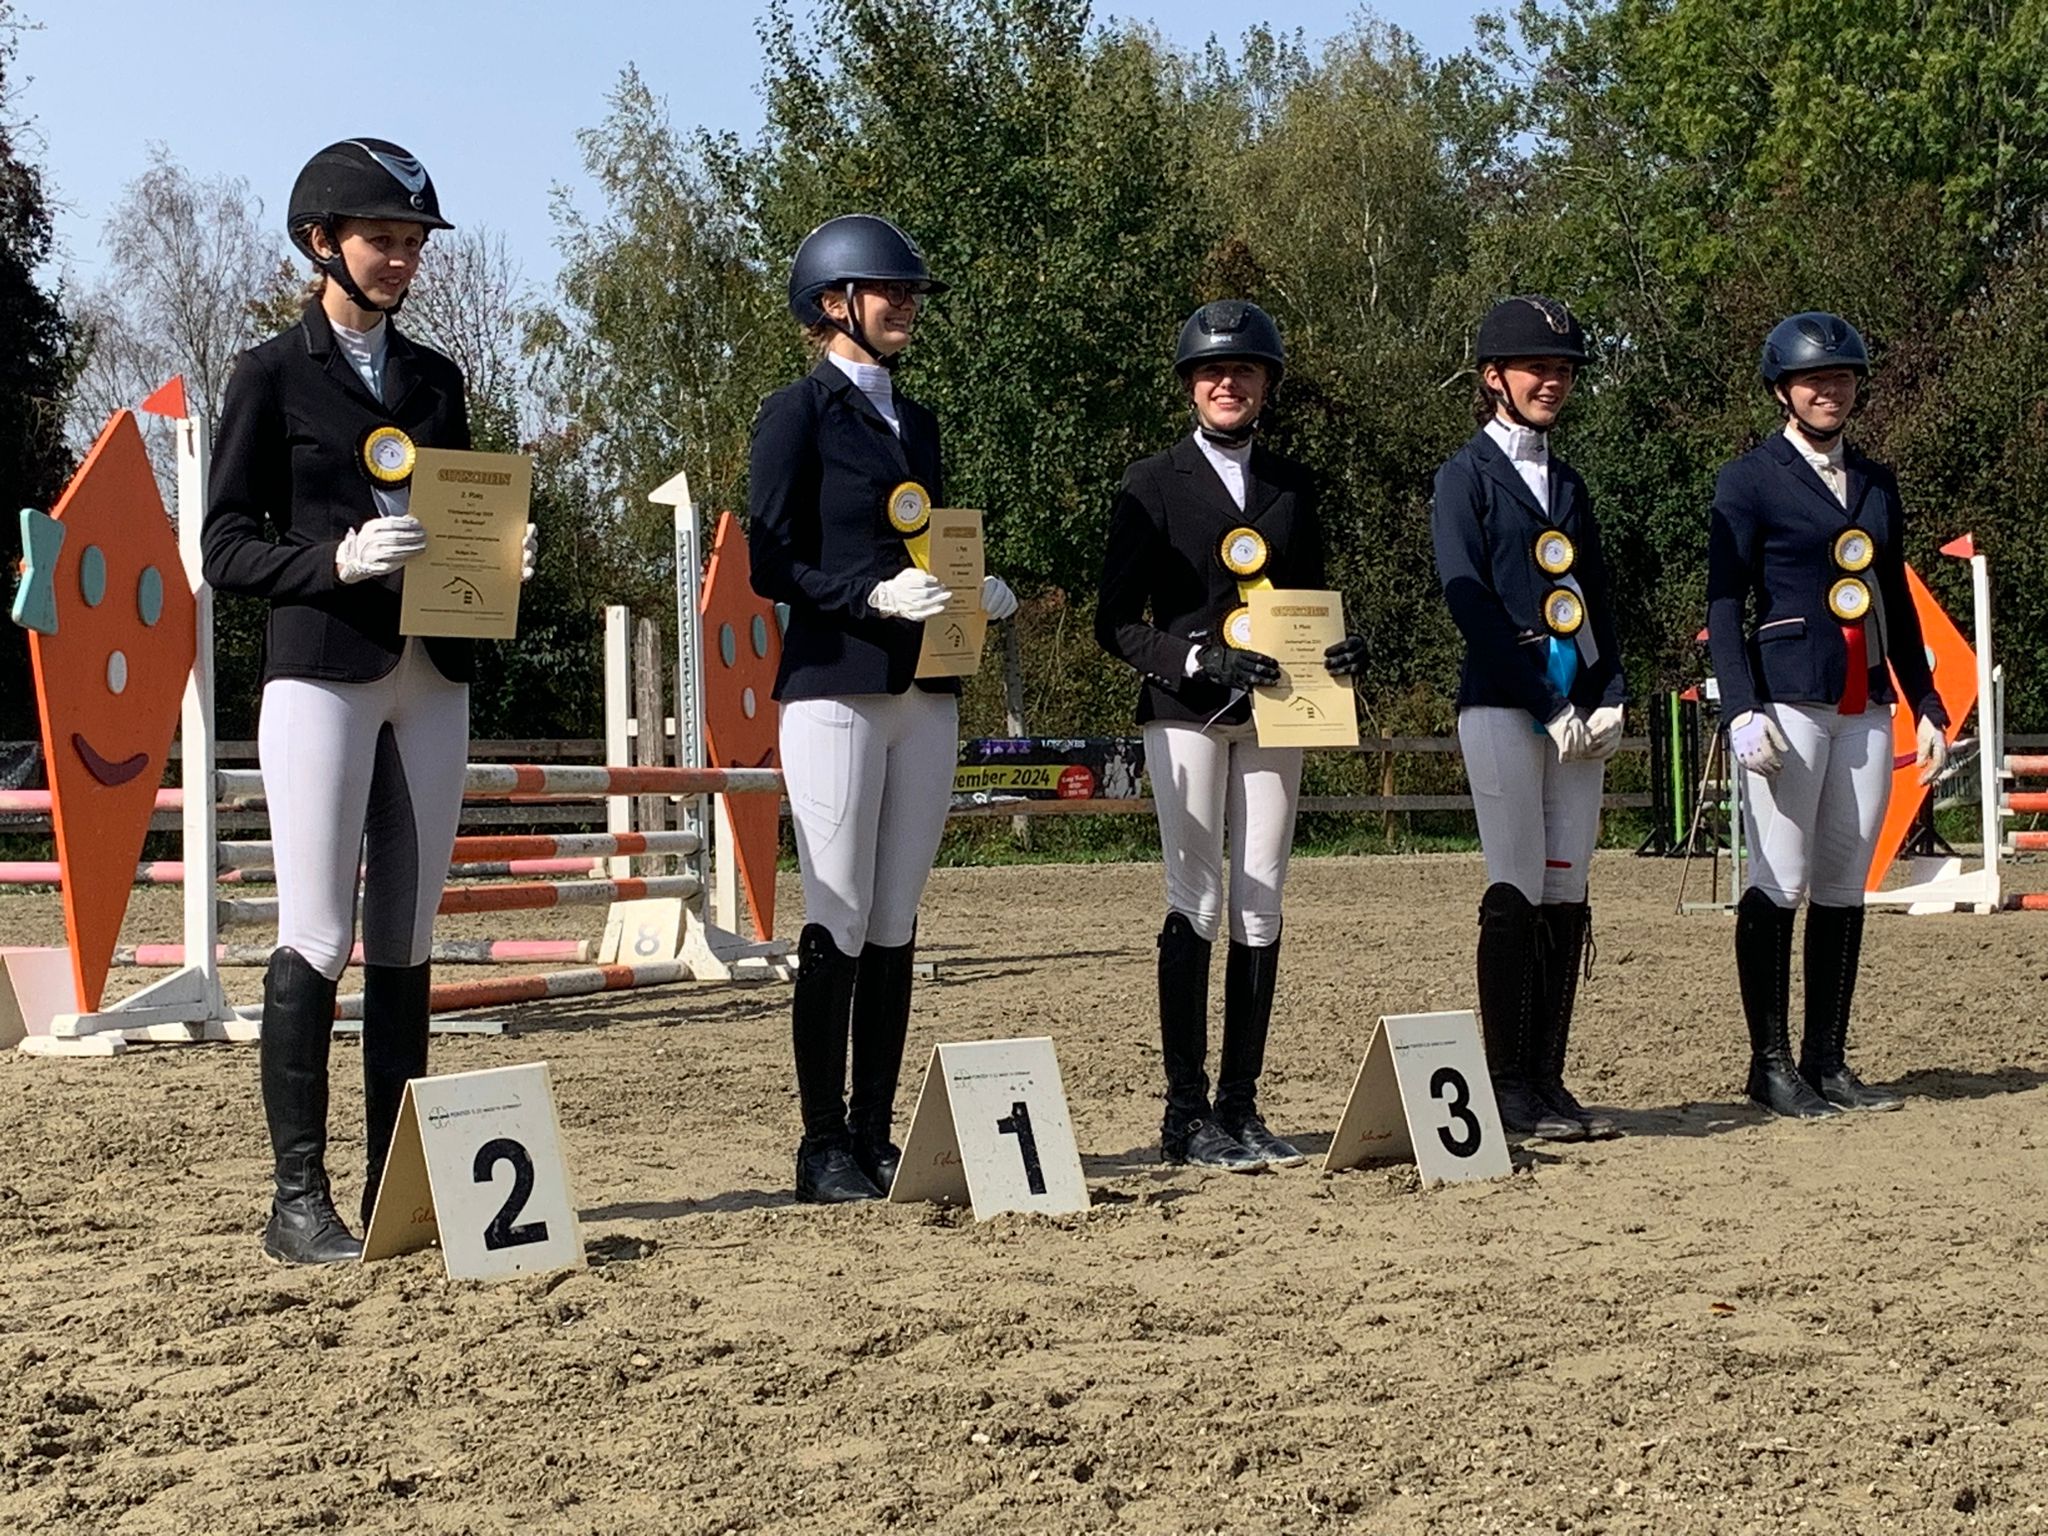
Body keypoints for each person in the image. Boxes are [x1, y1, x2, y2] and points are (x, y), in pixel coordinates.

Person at [203, 139, 536, 1264]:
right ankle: (296, 1198)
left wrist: (502, 556)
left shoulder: (436, 380)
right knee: (318, 929)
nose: (401, 259)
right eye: (382, 240)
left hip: (431, 673)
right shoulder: (268, 374)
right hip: (322, 670)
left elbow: (460, 508)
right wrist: (333, 561)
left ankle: (403, 1184)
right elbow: (222, 548)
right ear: (322, 243)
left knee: (405, 932)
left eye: (411, 243)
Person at [749, 213, 1019, 1204]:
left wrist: (972, 592)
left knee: (898, 916)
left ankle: (873, 1131)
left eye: (909, 292)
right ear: (834, 303)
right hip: (836, 685)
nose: (906, 304)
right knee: (840, 911)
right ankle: (820, 1144)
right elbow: (771, 562)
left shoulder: (919, 422)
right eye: (888, 290)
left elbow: (926, 544)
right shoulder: (795, 413)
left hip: (925, 688)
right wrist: (866, 597)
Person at [1096, 300, 1367, 1171]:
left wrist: (1341, 649)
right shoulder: (1151, 482)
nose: (1228, 384)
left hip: (1279, 709)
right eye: (1213, 372)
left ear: (1265, 385)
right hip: (1188, 712)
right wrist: (1196, 658)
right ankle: (1185, 1112)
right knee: (1198, 897)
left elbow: (1308, 600)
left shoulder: (1294, 485)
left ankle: (1241, 1106)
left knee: (1262, 898)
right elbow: (1114, 623)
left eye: (1244, 371)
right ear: (1191, 386)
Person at [1707, 312, 1947, 1118]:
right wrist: (1740, 707)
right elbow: (1725, 602)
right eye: (1814, 380)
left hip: (1865, 698)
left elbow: (1895, 601)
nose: (1830, 391)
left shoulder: (1876, 481)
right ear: (1783, 391)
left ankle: (1828, 1059)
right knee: (1780, 875)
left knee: (1846, 880)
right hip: (1788, 697)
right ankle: (1770, 1063)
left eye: (1841, 378)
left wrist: (1926, 699)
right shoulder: (1749, 479)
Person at [1431, 295, 1627, 1141]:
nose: (1553, 382)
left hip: (1577, 705)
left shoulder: (1569, 482)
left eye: (1563, 370)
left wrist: (1610, 687)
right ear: (1493, 377)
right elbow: (1468, 602)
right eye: (1536, 369)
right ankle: (1505, 1079)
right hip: (1504, 704)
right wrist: (1544, 700)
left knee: (1567, 889)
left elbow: (1593, 596)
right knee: (1514, 882)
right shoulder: (1464, 476)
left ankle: (1548, 1077)